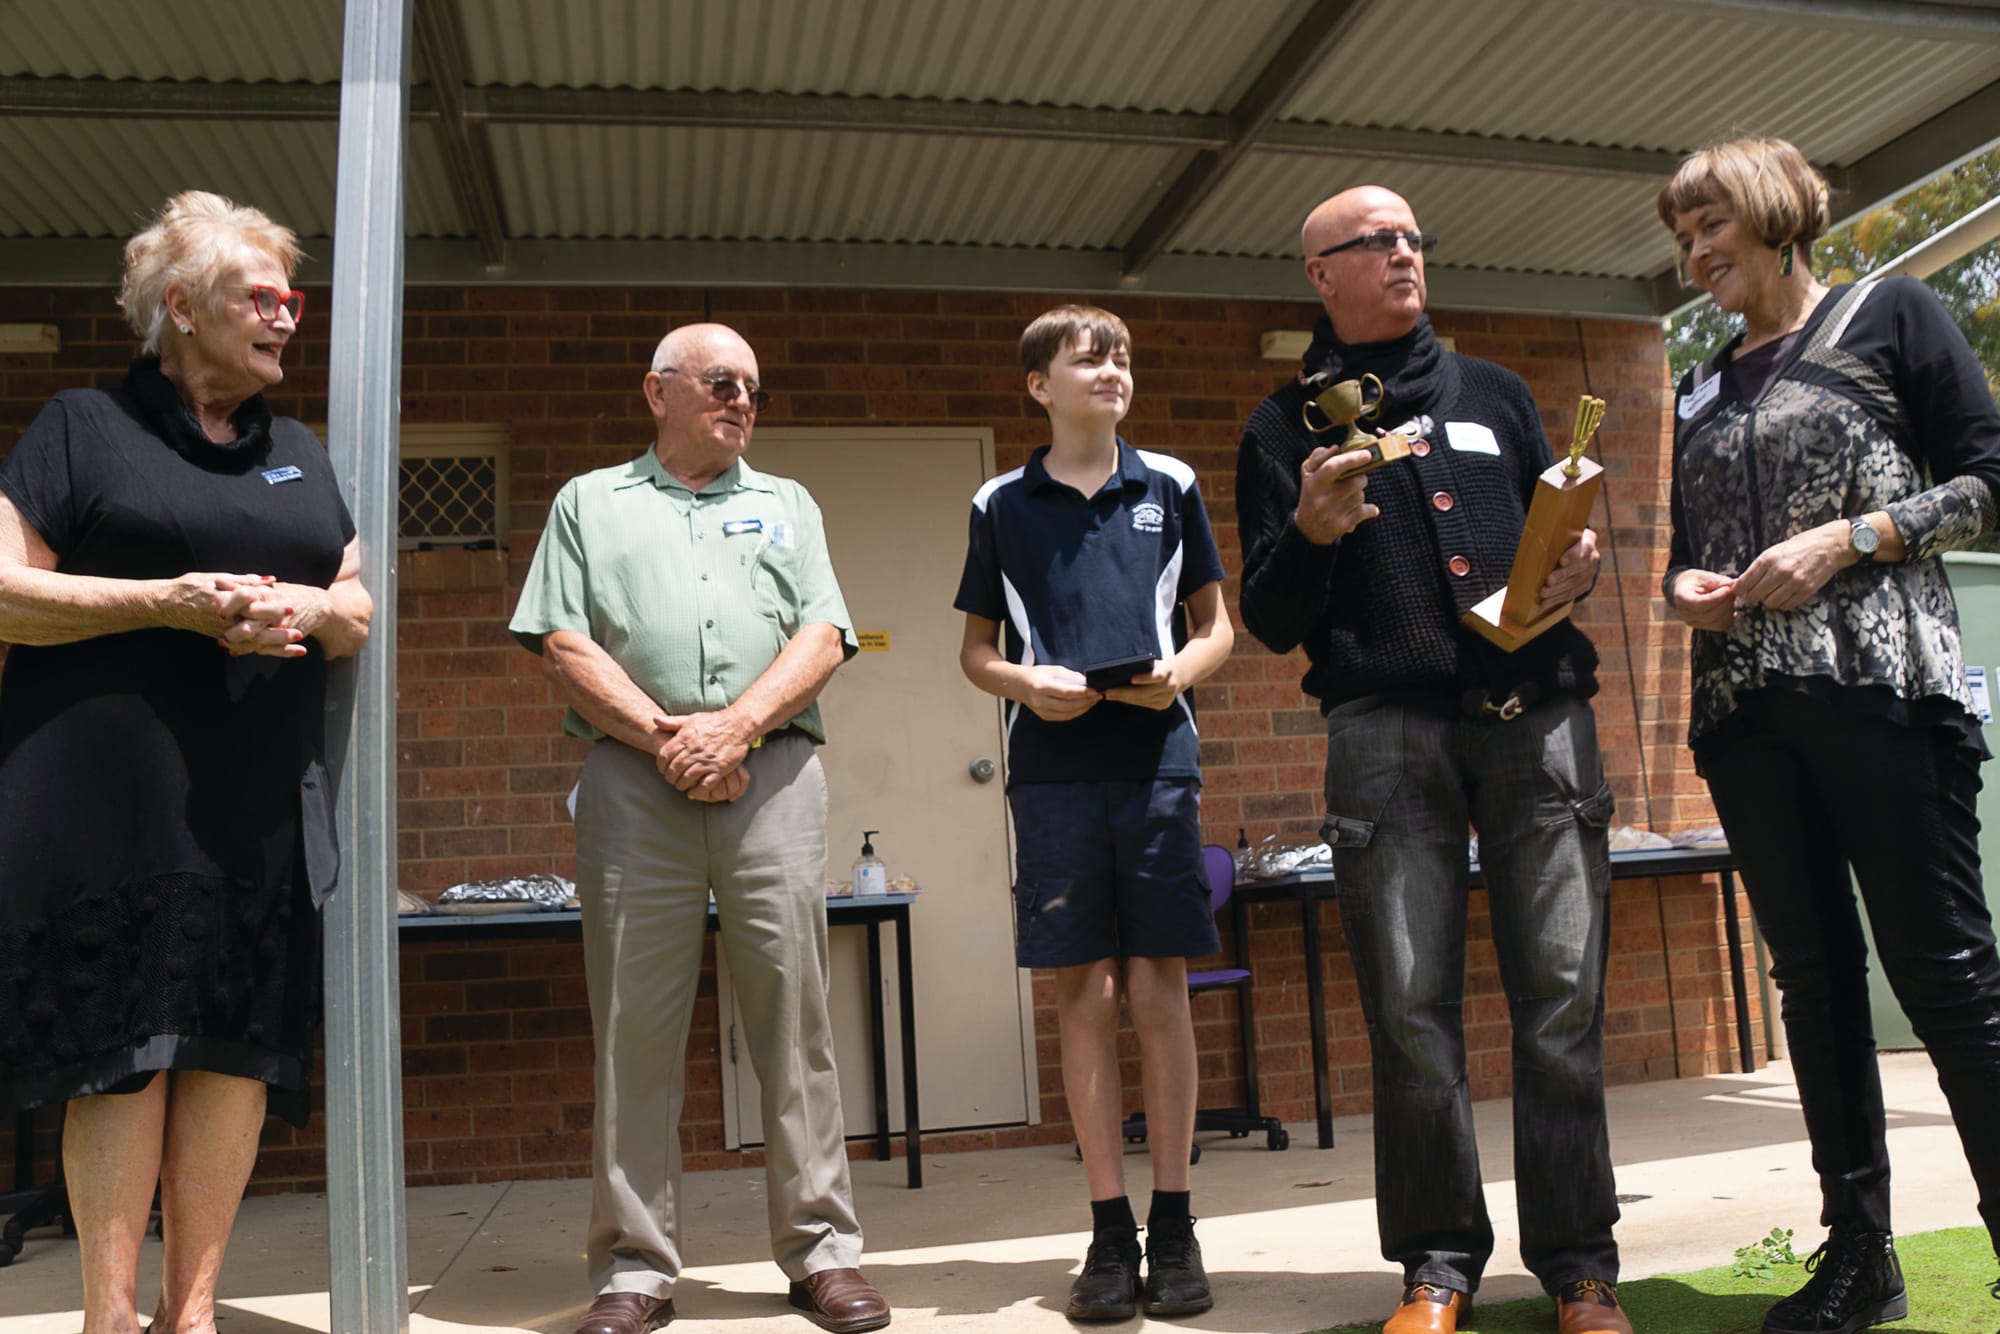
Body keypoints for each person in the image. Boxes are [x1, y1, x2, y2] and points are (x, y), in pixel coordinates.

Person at [1235, 187, 1631, 1334]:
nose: (1403, 252)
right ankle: (1435, 1264)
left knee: (1559, 998)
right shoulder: (1283, 427)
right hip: (1383, 732)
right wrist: (1307, 532)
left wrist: (1580, 566)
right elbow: (1266, 616)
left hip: (1539, 717)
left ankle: (1578, 1267)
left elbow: (1557, 532)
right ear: (1319, 272)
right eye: (1375, 241)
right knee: (1409, 1011)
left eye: (1410, 237)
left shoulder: (1498, 393)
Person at [0, 190, 372, 1334]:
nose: (284, 317)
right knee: (122, 1054)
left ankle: (193, 1312)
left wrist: (306, 607)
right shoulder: (79, 428)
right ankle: (113, 1319)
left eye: (290, 298)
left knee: (233, 1051)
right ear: (180, 308)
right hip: (106, 807)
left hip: (253, 806)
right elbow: (8, 588)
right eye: (258, 297)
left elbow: (357, 605)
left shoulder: (299, 451)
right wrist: (169, 602)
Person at [1658, 135, 2000, 1334]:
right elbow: (1675, 558)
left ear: (1770, 213)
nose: (1694, 253)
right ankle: (1858, 1253)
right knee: (1811, 984)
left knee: (1947, 977)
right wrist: (1682, 590)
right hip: (1743, 716)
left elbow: (1988, 477)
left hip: (1882, 693)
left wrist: (1847, 538)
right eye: (1680, 235)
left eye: (1710, 226)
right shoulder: (1696, 384)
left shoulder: (1888, 314)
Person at [509, 323, 889, 1334]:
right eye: (721, 383)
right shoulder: (589, 500)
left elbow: (821, 633)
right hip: (636, 784)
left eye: (755, 389)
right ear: (657, 391)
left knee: (794, 1023)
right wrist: (666, 737)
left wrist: (734, 729)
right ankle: (633, 1267)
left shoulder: (784, 503)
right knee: (633, 1025)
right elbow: (559, 637)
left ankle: (822, 1251)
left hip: (772, 777)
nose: (742, 401)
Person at [955, 304, 1234, 1322]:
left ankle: (1174, 1222)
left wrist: (1179, 673)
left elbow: (1216, 627)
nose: (1110, 370)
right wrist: (1026, 684)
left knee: (1159, 983)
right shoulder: (999, 500)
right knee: (1084, 988)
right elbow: (975, 652)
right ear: (1039, 384)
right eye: (1088, 358)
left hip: (1159, 759)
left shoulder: (1170, 484)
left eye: (1120, 356)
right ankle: (1107, 1231)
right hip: (1053, 771)